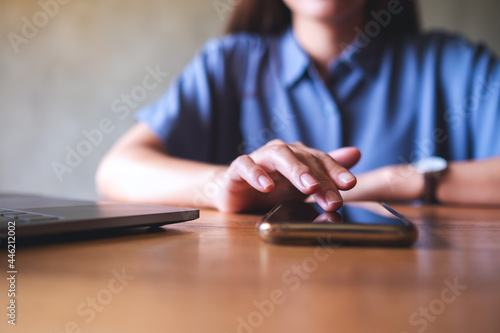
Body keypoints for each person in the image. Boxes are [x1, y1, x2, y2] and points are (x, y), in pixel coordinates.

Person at [96, 0, 500, 213]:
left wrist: (404, 179)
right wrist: (223, 187)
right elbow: (117, 170)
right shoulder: (227, 65)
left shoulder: (459, 65)